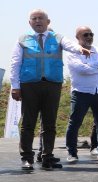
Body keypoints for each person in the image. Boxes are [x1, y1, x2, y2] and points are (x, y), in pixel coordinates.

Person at [10, 9, 89, 170]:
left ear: (48, 22)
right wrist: (15, 86)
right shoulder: (22, 40)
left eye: (41, 18)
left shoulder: (58, 38)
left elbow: (69, 45)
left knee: (49, 123)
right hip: (29, 85)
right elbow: (15, 64)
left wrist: (79, 49)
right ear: (30, 22)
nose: (38, 21)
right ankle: (27, 158)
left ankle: (47, 157)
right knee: (28, 123)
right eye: (34, 18)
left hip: (52, 85)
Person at [63, 26, 98, 162]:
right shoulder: (72, 52)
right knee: (75, 123)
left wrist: (92, 65)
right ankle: (72, 153)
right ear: (77, 37)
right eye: (85, 34)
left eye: (91, 34)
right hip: (81, 92)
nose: (89, 37)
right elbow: (81, 69)